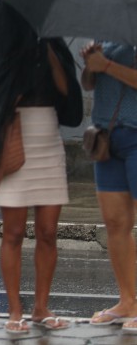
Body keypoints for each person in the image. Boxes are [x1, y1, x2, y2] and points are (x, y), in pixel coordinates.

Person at [0, 1, 82, 334]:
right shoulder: (8, 10)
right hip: (16, 133)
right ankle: (14, 311)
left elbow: (69, 96)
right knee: (12, 232)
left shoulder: (52, 29)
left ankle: (41, 307)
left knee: (49, 232)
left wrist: (48, 50)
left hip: (48, 133)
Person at [81, 41, 137, 330]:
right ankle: (127, 301)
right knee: (115, 223)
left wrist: (108, 66)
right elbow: (90, 84)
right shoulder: (108, 31)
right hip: (106, 139)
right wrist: (91, 64)